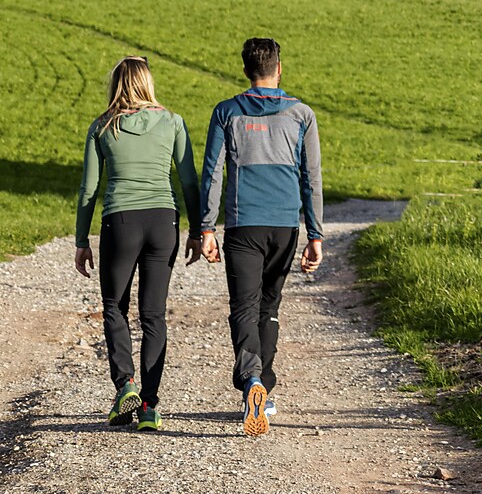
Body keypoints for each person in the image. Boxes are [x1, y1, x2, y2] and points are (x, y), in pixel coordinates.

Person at [200, 37, 323, 438]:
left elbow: (212, 173)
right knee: (269, 307)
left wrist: (205, 227)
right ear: (279, 68)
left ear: (246, 71)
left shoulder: (226, 112)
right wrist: (315, 234)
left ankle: (252, 379)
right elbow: (311, 178)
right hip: (285, 226)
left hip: (242, 225)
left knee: (243, 308)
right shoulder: (302, 114)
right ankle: (263, 391)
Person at [74, 56, 203, 434]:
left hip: (122, 221)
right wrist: (197, 230)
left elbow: (89, 189)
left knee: (114, 306)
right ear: (148, 82)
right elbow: (190, 182)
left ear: (116, 84)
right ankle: (149, 406)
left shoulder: (102, 126)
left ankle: (125, 384)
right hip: (164, 221)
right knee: (154, 315)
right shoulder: (173, 122)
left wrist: (82, 240)